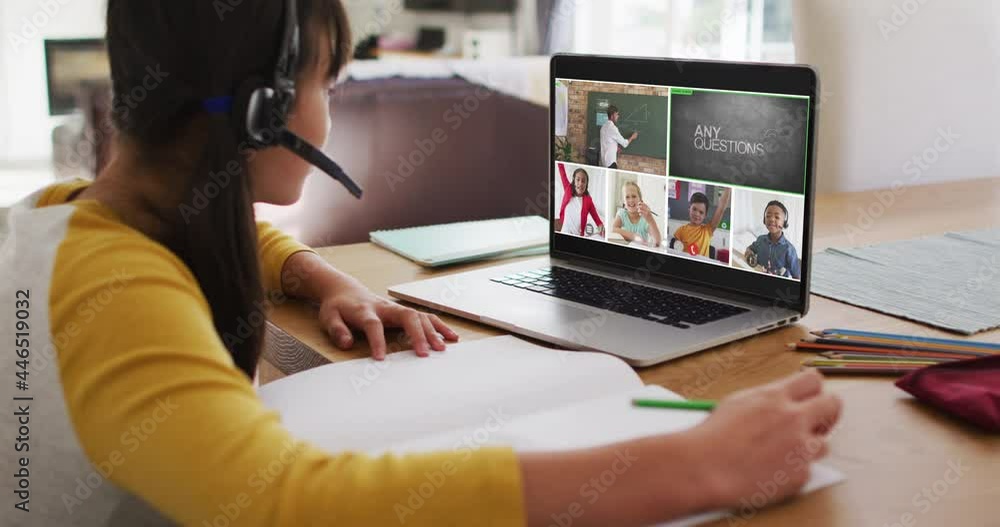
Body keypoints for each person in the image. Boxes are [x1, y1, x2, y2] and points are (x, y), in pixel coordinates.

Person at [0, 2, 840, 525]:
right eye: (331, 82)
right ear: (263, 109)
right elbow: (280, 504)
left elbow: (201, 231)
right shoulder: (118, 292)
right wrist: (699, 464)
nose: (328, 109)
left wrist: (314, 273)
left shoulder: (78, 222)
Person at [745, 200, 802, 279]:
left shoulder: (789, 249)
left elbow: (797, 277)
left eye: (777, 217)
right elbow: (749, 248)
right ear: (764, 219)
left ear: (784, 222)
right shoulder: (760, 240)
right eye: (768, 216)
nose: (771, 219)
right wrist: (749, 254)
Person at [673, 187, 732, 257]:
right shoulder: (680, 230)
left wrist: (728, 188)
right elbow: (675, 249)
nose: (697, 214)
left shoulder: (708, 230)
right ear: (689, 209)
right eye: (694, 209)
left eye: (701, 212)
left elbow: (721, 209)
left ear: (705, 215)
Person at [556, 164, 605, 237]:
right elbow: (562, 172)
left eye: (583, 181)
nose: (580, 183)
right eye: (578, 180)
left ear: (586, 184)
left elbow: (597, 219)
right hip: (564, 232)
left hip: (578, 235)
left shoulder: (588, 200)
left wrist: (601, 227)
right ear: (574, 181)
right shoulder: (568, 189)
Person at [613, 179, 662, 246]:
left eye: (634, 196)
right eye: (627, 197)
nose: (631, 200)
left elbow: (657, 242)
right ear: (624, 201)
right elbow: (613, 229)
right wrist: (633, 236)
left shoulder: (645, 218)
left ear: (640, 200)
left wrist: (650, 219)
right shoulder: (622, 214)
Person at [600, 104, 638, 169]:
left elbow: (607, 142)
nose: (618, 116)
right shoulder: (613, 128)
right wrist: (632, 137)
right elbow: (625, 144)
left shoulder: (603, 127)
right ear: (612, 116)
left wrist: (615, 147)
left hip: (603, 162)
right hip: (610, 163)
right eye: (617, 114)